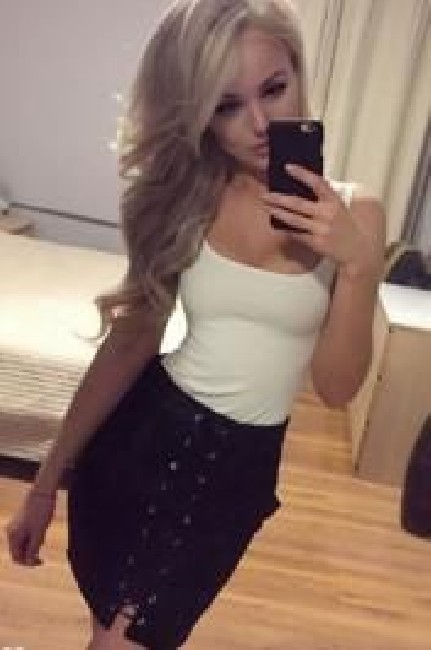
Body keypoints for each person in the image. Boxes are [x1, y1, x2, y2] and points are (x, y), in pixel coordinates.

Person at [5, 0, 385, 648]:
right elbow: (130, 342)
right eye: (227, 105)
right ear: (200, 114)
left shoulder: (357, 215)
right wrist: (44, 482)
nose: (260, 124)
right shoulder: (186, 197)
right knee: (114, 633)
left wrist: (356, 267)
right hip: (143, 437)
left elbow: (335, 389)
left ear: (299, 72)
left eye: (273, 88)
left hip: (232, 477)